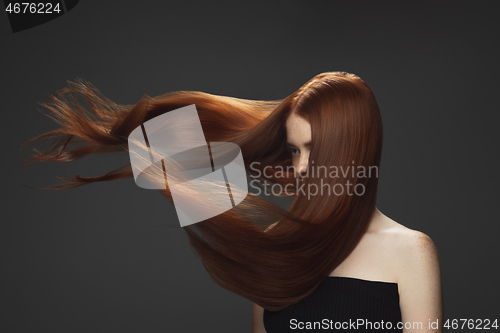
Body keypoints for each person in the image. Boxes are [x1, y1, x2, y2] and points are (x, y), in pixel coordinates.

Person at [21, 72, 443, 332]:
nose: (300, 167)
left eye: (316, 149)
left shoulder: (409, 252)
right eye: (295, 151)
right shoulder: (276, 242)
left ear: (356, 150)